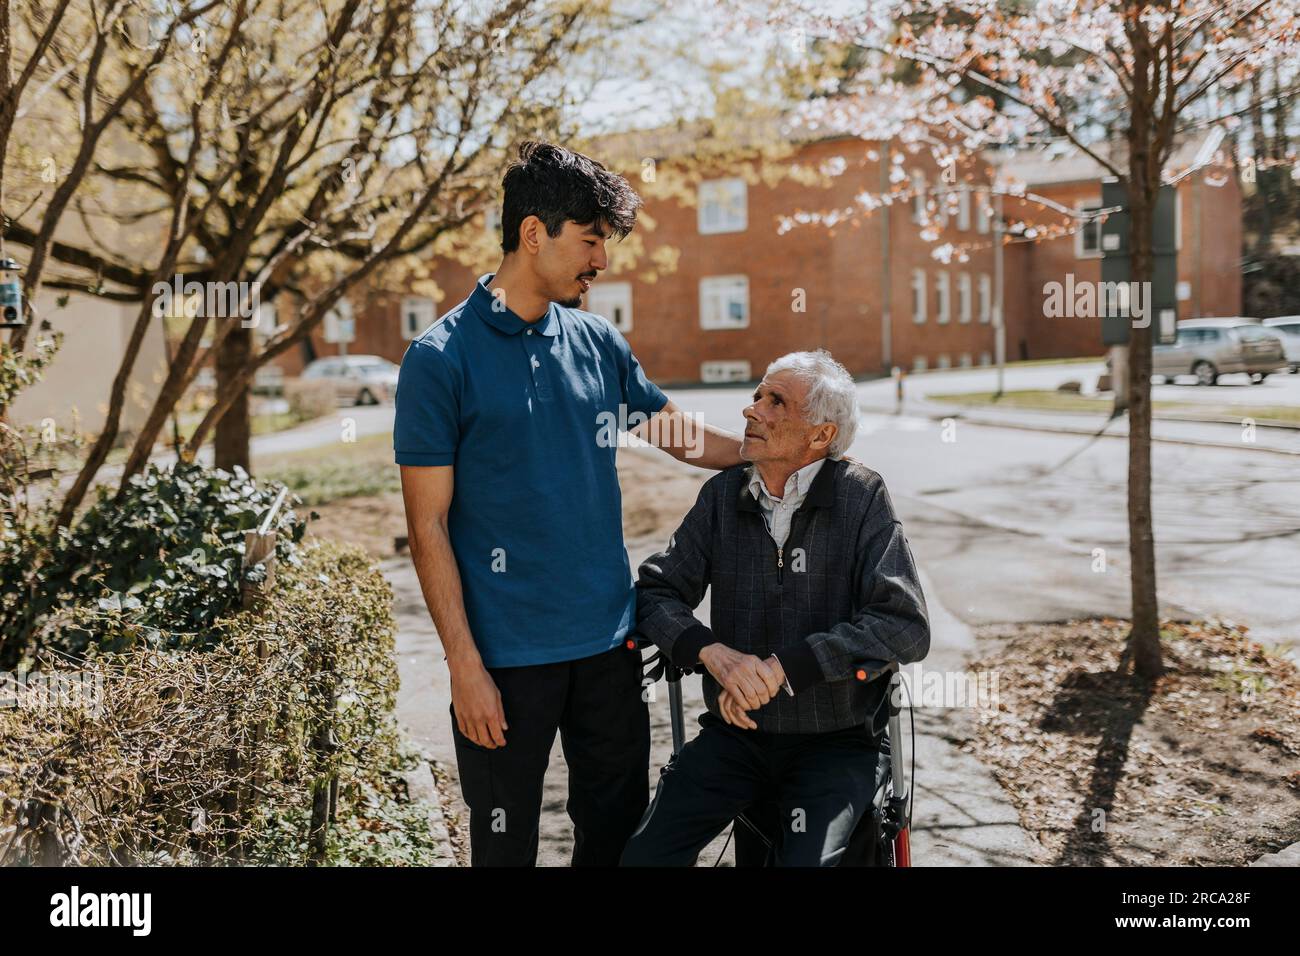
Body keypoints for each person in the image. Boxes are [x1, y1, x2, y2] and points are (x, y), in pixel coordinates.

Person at [394, 141, 743, 866]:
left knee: (617, 841)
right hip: (502, 660)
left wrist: (772, 449)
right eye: (590, 242)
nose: (603, 262)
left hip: (610, 647)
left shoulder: (596, 339)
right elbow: (426, 526)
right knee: (503, 847)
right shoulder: (439, 360)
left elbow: (675, 433)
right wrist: (463, 667)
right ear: (533, 233)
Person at [620, 350, 930, 867]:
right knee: (645, 857)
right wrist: (714, 655)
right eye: (757, 395)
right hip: (736, 735)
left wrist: (786, 668)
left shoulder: (860, 498)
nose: (752, 409)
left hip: (836, 742)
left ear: (820, 435)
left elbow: (904, 625)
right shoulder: (723, 495)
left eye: (775, 401)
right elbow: (655, 592)